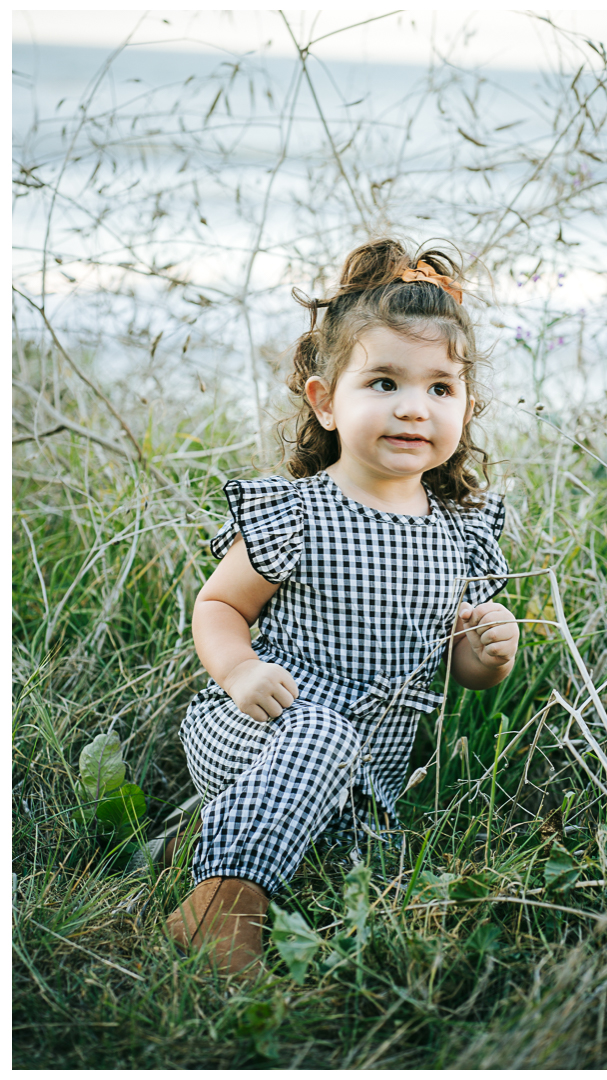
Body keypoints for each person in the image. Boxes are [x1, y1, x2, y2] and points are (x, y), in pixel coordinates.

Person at [165, 238, 519, 977]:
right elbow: (221, 605)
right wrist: (239, 672)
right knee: (322, 735)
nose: (413, 408)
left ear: (466, 407)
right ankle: (218, 909)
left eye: (439, 390)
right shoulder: (298, 513)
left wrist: (484, 653)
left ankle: (214, 839)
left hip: (370, 778)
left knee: (363, 865)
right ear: (326, 401)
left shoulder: (458, 532)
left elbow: (458, 667)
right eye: (384, 383)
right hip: (258, 727)